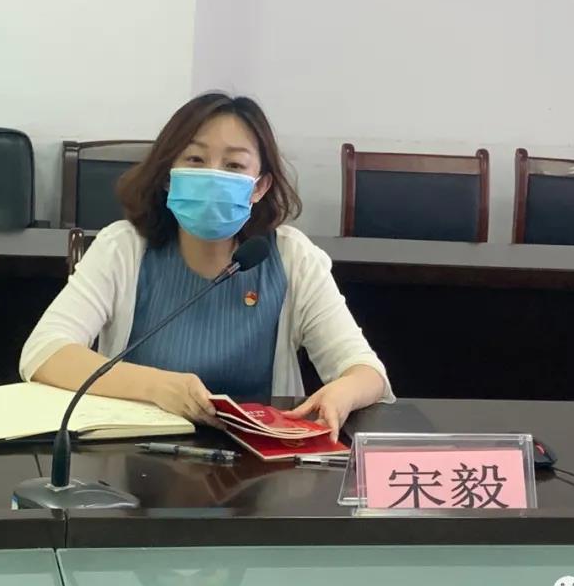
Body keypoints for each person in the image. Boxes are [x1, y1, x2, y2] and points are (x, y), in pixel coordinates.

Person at [20, 93, 393, 439]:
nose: (214, 175)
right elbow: (44, 352)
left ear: (259, 187)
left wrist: (343, 392)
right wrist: (157, 386)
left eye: (234, 165)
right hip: (135, 458)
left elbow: (367, 372)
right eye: (196, 160)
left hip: (258, 466)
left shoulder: (293, 257)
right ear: (168, 176)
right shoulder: (123, 248)